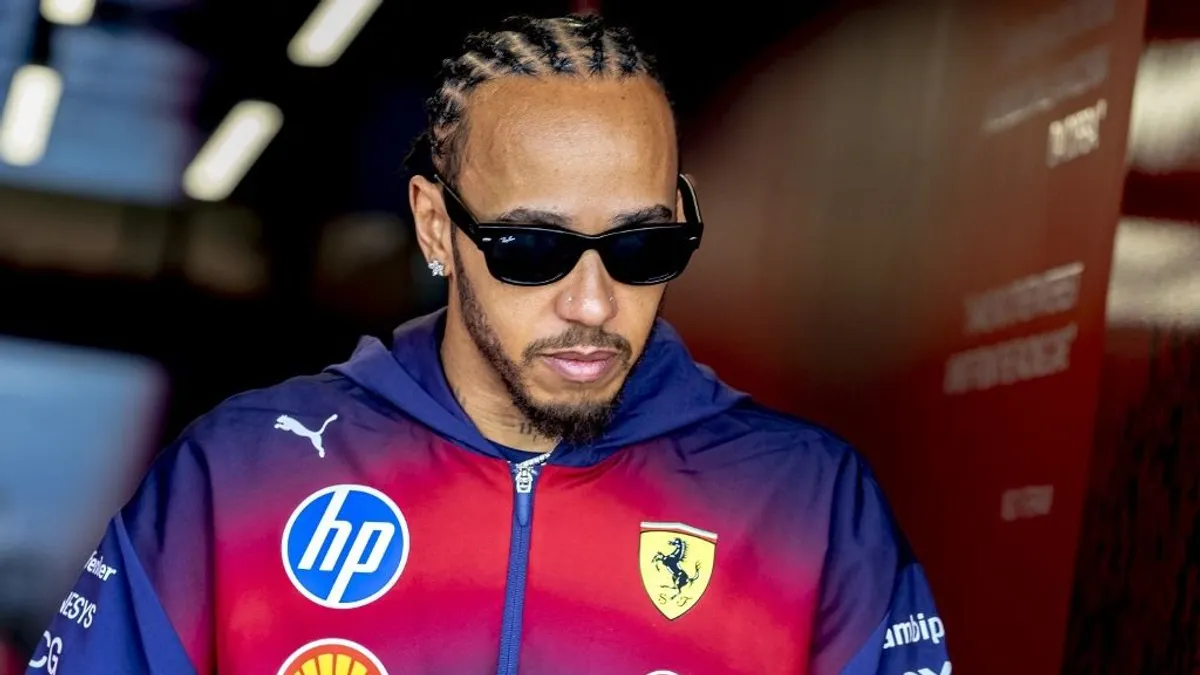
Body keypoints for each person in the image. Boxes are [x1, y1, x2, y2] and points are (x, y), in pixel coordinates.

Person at [28, 14, 950, 675]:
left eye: (642, 247)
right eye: (531, 249)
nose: (593, 302)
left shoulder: (811, 508)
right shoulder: (236, 475)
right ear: (436, 226)